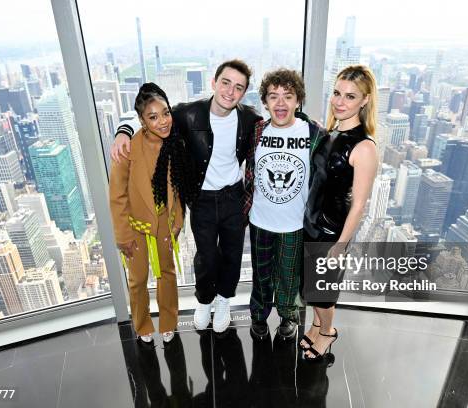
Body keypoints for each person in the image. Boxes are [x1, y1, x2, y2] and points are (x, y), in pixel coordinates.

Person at [111, 60, 262, 333]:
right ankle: (205, 300)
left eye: (238, 87)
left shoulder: (250, 119)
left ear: (244, 93)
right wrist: (123, 130)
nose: (230, 91)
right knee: (206, 257)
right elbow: (152, 116)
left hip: (234, 198)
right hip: (201, 199)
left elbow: (279, 123)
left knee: (231, 255)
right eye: (226, 83)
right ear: (213, 83)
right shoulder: (188, 114)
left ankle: (224, 300)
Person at [109, 83, 197, 344]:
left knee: (167, 273)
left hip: (164, 223)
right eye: (153, 117)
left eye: (165, 113)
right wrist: (123, 236)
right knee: (137, 280)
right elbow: (117, 197)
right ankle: (142, 324)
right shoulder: (126, 150)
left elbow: (178, 191)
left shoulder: (175, 145)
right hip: (134, 225)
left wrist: (178, 222)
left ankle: (169, 321)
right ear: (141, 120)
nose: (163, 121)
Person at [301, 65, 379, 360]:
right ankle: (316, 326)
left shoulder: (364, 147)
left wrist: (340, 245)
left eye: (350, 96)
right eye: (336, 93)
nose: (339, 101)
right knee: (312, 287)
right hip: (310, 224)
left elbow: (359, 205)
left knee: (322, 292)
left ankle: (327, 333)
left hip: (332, 233)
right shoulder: (329, 133)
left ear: (365, 100)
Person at [243, 69, 327, 340]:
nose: (280, 103)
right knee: (262, 274)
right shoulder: (258, 130)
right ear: (265, 102)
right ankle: (258, 316)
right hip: (259, 220)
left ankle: (288, 316)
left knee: (289, 276)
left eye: (287, 97)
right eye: (273, 96)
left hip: (294, 223)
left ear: (298, 101)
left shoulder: (314, 133)